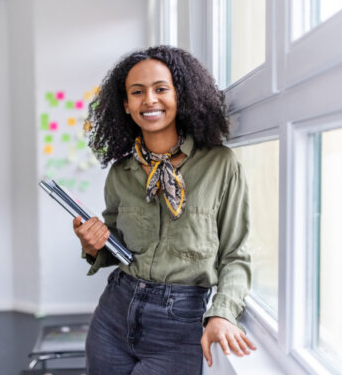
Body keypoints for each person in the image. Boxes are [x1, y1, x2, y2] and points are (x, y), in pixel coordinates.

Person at [73, 45, 256, 375]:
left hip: (181, 328)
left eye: (161, 89)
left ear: (180, 95)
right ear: (126, 105)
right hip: (113, 317)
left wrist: (222, 312)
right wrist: (93, 245)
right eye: (137, 92)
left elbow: (235, 255)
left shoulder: (220, 165)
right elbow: (117, 247)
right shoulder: (121, 173)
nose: (149, 100)